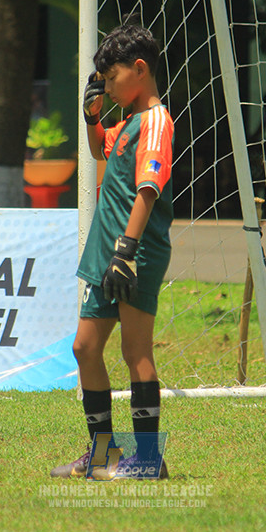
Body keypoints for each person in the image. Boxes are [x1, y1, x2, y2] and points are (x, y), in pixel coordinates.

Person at [50, 24, 174, 480]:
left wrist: (127, 248)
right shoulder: (126, 122)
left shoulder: (157, 120)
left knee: (135, 350)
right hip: (107, 249)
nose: (107, 84)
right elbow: (101, 151)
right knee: (85, 348)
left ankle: (149, 460)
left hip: (132, 250)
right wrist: (92, 118)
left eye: (112, 76)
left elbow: (148, 188)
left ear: (139, 70)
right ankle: (103, 454)